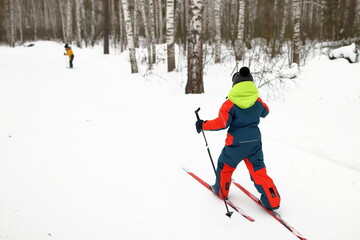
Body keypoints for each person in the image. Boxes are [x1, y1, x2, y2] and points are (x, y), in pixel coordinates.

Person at [195, 67, 281, 210]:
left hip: (236, 143)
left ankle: (221, 191)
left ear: (235, 85)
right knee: (258, 170)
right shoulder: (257, 101)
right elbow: (265, 112)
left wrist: (203, 125)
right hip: (254, 142)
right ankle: (273, 200)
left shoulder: (230, 104)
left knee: (225, 165)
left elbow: (222, 123)